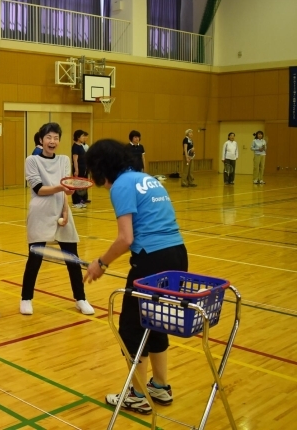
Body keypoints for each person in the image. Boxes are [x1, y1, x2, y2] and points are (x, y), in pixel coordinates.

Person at [84, 139, 187, 416]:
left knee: (132, 327)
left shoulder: (121, 186)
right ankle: (160, 386)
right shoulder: (146, 178)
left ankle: (138, 394)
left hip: (151, 259)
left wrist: (101, 263)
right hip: (177, 255)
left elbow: (126, 238)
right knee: (157, 321)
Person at [20, 123, 94, 317]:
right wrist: (62, 188)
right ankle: (26, 298)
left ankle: (81, 299)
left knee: (72, 259)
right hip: (40, 212)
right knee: (35, 258)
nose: (52, 141)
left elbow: (66, 188)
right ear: (41, 140)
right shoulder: (32, 160)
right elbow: (39, 189)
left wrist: (66, 210)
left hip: (62, 211)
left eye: (56, 138)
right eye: (49, 137)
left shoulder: (63, 159)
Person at [71, 130, 89, 207]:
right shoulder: (75, 147)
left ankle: (82, 199)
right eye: (82, 136)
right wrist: (76, 170)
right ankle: (76, 201)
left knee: (83, 184)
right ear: (78, 137)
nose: (83, 137)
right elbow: (75, 159)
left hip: (84, 168)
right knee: (77, 185)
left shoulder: (81, 145)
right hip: (78, 168)